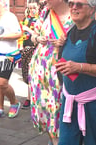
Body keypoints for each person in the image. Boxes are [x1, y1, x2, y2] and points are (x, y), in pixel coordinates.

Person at [28, 0, 74, 144]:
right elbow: (33, 35)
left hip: (61, 70)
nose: (43, 0)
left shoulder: (76, 14)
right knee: (45, 107)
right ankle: (52, 139)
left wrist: (67, 42)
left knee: (59, 107)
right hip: (41, 70)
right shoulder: (45, 12)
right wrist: (37, 38)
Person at [55, 0, 96, 144]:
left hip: (93, 106)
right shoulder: (69, 31)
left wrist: (79, 67)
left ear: (92, 9)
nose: (73, 7)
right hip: (70, 103)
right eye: (71, 3)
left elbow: (77, 65)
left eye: (79, 4)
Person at [19, 0, 39, 109]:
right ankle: (30, 96)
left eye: (34, 8)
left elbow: (39, 35)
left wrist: (29, 31)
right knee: (26, 73)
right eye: (30, 8)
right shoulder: (25, 19)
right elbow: (22, 35)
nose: (32, 10)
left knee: (32, 73)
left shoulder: (40, 20)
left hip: (34, 49)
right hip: (25, 48)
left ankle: (30, 97)